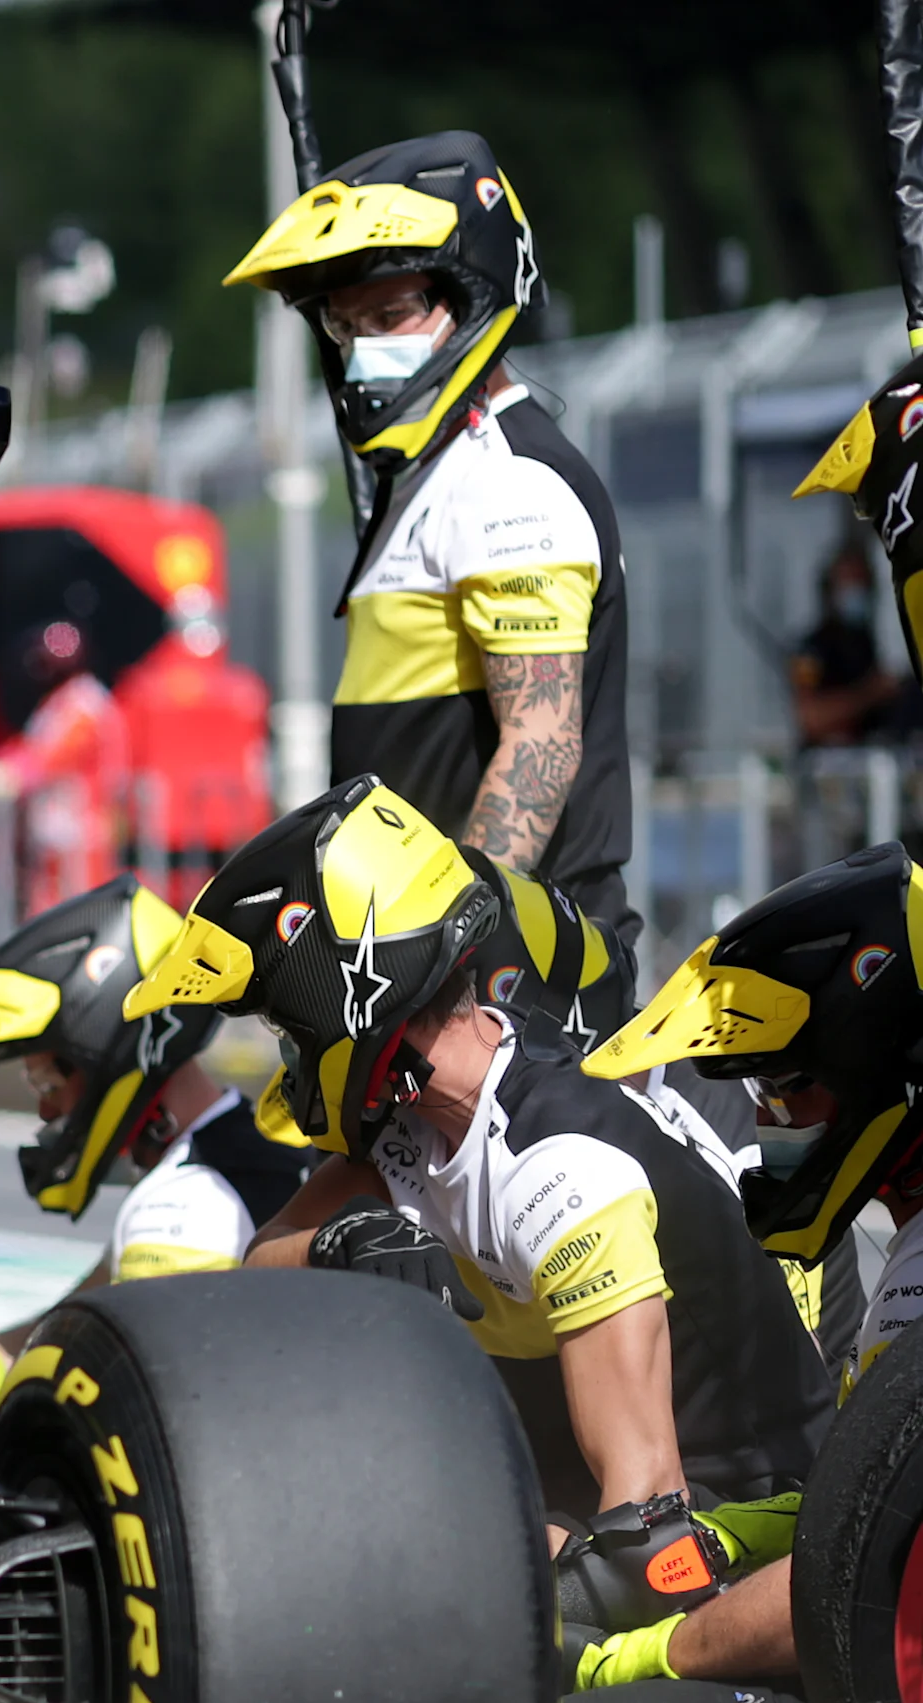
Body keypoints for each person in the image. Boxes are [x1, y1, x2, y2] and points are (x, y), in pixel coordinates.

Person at [129, 775, 829, 1549]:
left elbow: (644, 1522)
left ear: (339, 996)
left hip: (750, 1520)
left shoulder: (560, 1166)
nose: (288, 1058)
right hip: (604, 1504)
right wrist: (341, 1240)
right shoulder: (420, 1118)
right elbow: (262, 1262)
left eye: (284, 1028)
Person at [560, 843, 923, 1703]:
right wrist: (726, 1540)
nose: (768, 1119)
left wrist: (648, 1654)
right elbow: (871, 1510)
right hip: (878, 1679)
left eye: (789, 1088)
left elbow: (846, 1577)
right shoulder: (907, 1245)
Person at [226, 134, 636, 960]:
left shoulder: (508, 481)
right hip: (414, 960)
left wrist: (451, 951)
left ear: (469, 295)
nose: (362, 347)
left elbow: (540, 744)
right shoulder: (432, 473)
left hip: (510, 975)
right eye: (345, 325)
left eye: (390, 317)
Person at [0, 877, 307, 1292]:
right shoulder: (248, 1153)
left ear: (106, 1055)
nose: (46, 1111)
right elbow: (67, 1317)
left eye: (48, 1085)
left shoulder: (183, 1207)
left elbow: (81, 1334)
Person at [0, 622, 123, 911]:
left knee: (80, 918)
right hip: (57, 841)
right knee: (46, 916)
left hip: (82, 840)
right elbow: (28, 747)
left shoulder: (84, 705)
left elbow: (46, 760)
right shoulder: (59, 701)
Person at [788, 542, 905, 750]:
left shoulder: (868, 643)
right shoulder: (810, 651)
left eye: (862, 586)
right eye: (849, 586)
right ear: (830, 591)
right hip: (827, 761)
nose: (857, 593)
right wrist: (870, 693)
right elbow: (810, 717)